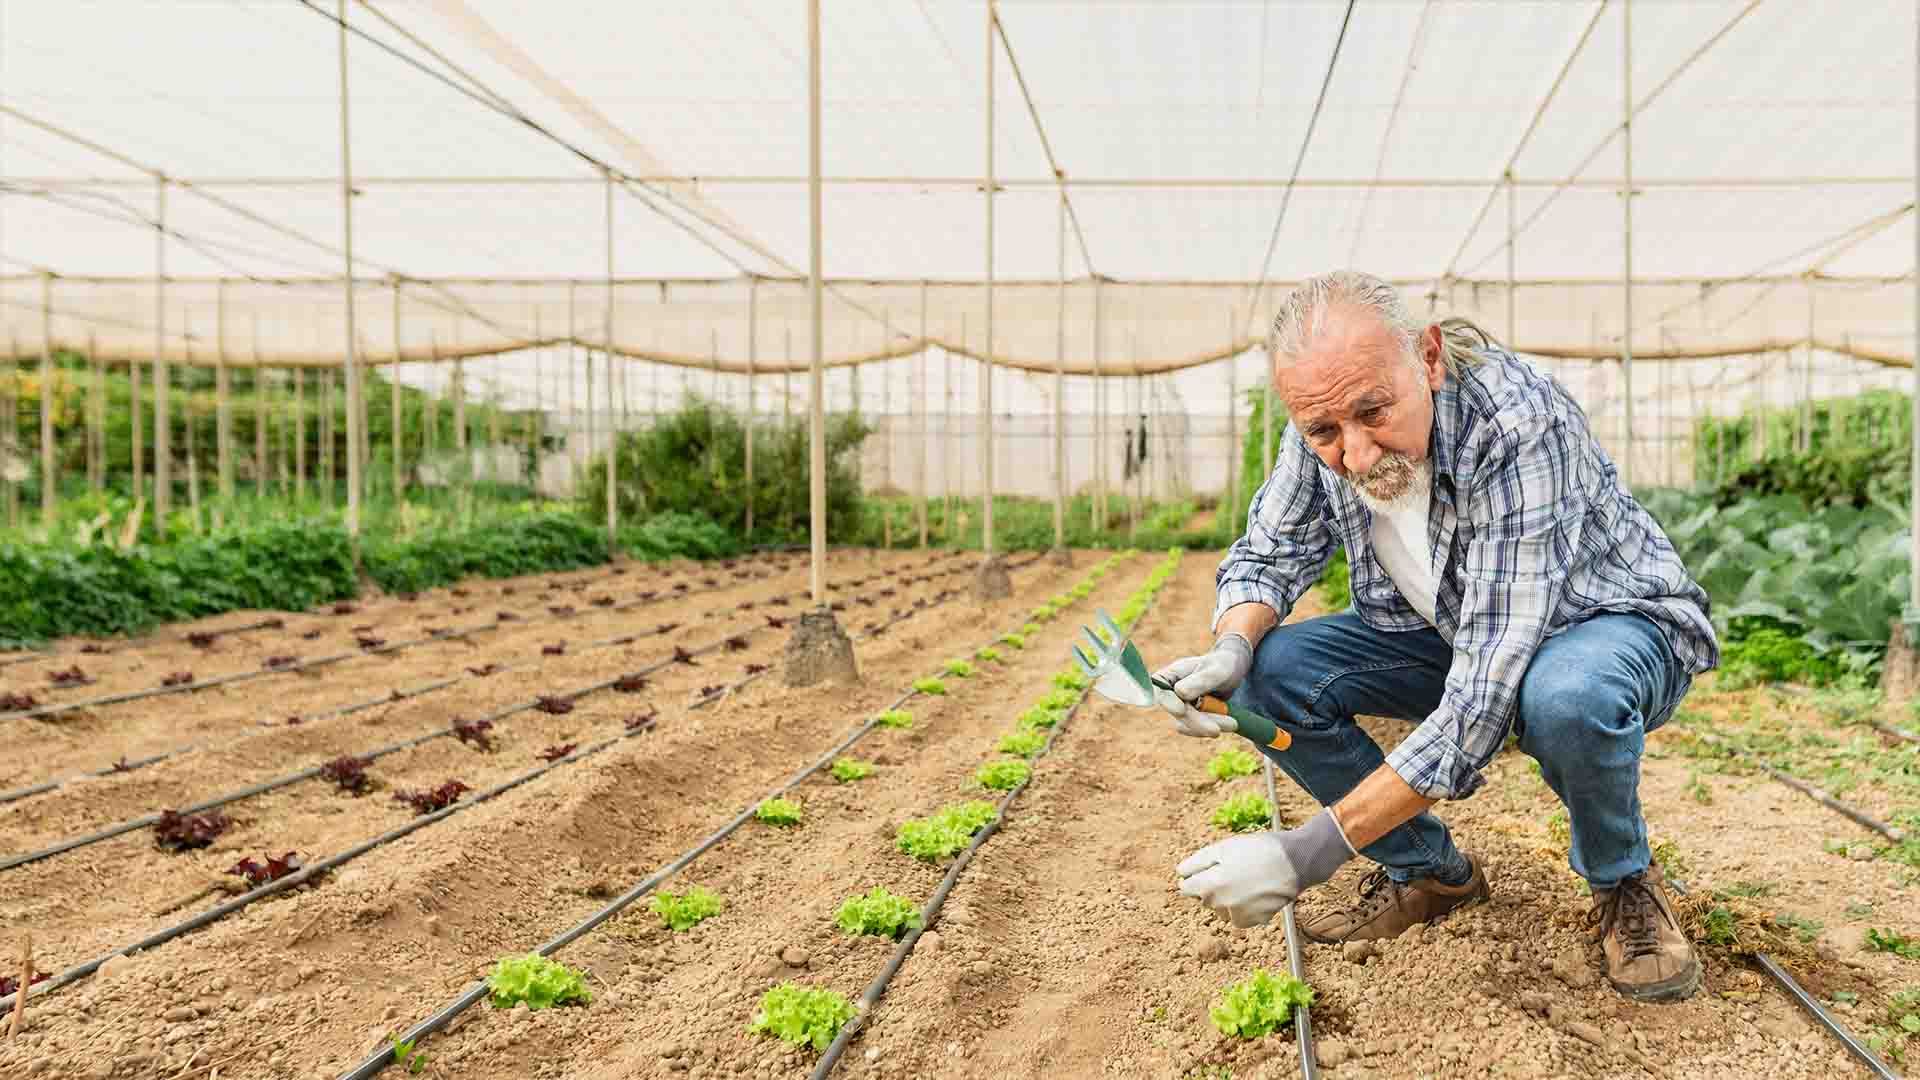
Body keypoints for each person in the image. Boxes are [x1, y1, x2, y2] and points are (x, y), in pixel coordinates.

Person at [1155, 271, 1717, 1002]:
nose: (1354, 453)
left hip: (1599, 623)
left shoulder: (1516, 423)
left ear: (1426, 359)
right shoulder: (1324, 427)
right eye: (1324, 430)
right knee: (1270, 672)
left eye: (1373, 412)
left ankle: (1623, 883)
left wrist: (1309, 850)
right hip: (1451, 629)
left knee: (1567, 695)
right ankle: (1427, 873)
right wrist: (1230, 648)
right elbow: (1270, 553)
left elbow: (1485, 691)